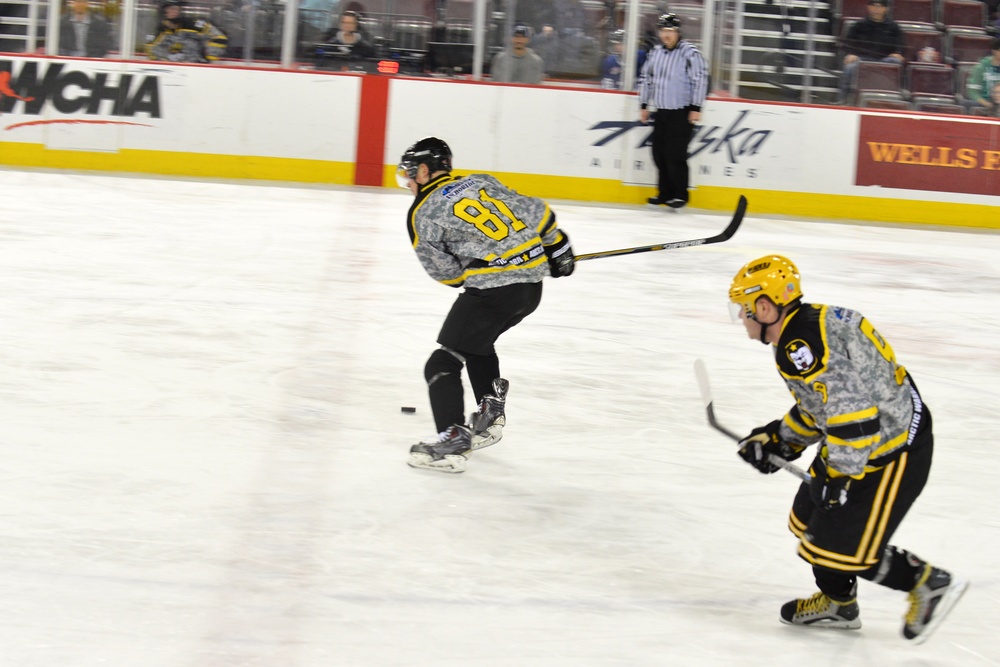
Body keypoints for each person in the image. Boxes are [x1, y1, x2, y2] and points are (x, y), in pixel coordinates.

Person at [727, 254, 968, 642]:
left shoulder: (797, 346)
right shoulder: (806, 327)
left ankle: (926, 581)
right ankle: (839, 603)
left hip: (891, 449)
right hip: (866, 440)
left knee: (836, 540)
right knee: (808, 520)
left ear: (765, 307)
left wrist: (837, 478)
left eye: (744, 308)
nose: (741, 317)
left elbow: (855, 418)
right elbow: (825, 406)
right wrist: (779, 441)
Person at [397, 137, 574, 473]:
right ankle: (488, 415)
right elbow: (538, 211)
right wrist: (557, 245)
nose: (407, 181)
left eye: (409, 173)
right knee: (477, 344)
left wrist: (476, 267)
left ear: (423, 171)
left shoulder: (421, 212)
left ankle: (452, 440)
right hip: (531, 288)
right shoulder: (481, 181)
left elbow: (446, 274)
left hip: (495, 289)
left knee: (442, 364)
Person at [637, 13, 708, 211]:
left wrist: (696, 107)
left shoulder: (690, 53)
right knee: (658, 153)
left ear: (678, 32)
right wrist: (643, 104)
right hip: (662, 111)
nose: (666, 35)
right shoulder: (656, 52)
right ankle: (665, 194)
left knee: (675, 154)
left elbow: (700, 79)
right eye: (663, 30)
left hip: (682, 111)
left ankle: (680, 195)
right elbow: (646, 78)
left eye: (670, 31)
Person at [838, 0, 904, 104]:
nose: (876, 9)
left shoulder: (894, 27)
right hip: (862, 60)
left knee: (895, 62)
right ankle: (843, 100)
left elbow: (900, 48)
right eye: (873, 6)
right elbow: (848, 46)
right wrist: (851, 54)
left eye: (879, 6)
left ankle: (894, 101)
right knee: (849, 67)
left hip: (884, 61)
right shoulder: (858, 25)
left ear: (886, 9)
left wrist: (898, 53)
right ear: (868, 7)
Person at [145, 0, 228, 63]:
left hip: (198, 68)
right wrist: (168, 58)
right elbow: (151, 49)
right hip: (173, 71)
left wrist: (208, 57)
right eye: (171, 9)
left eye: (177, 9)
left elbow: (219, 37)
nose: (175, 12)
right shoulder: (160, 31)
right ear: (163, 12)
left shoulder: (193, 25)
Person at [965, 38, 1000, 113]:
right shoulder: (980, 68)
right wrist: (989, 105)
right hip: (984, 106)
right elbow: (973, 92)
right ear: (994, 51)